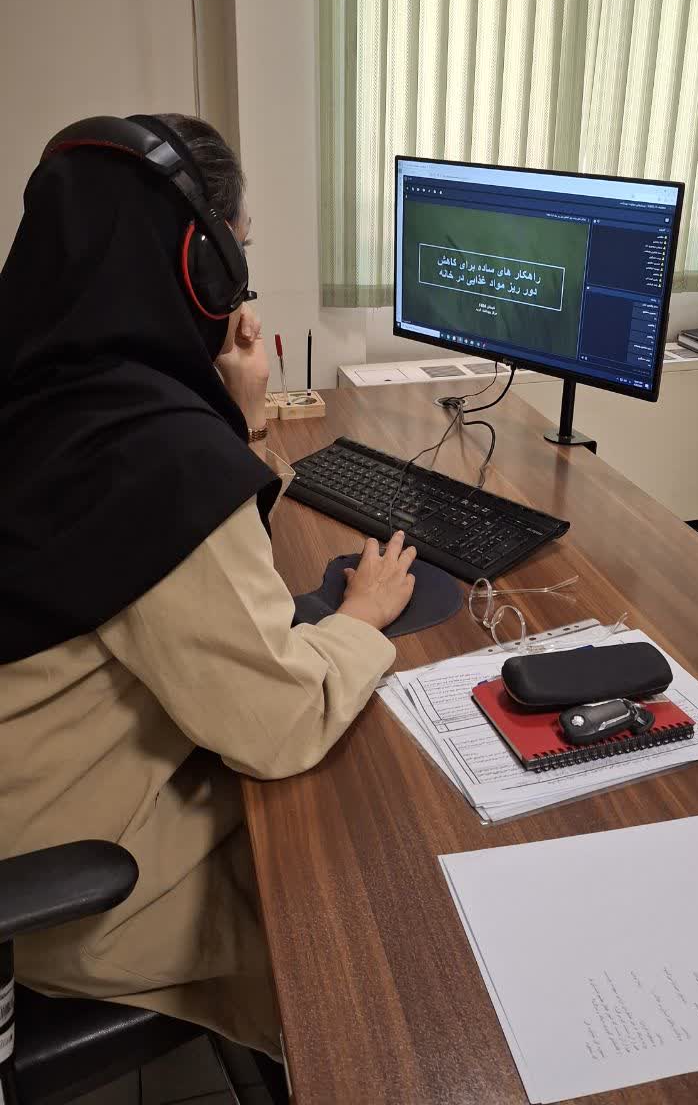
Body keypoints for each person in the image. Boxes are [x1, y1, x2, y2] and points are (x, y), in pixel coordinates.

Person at [0, 113, 416, 1065]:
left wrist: (237, 423)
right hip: (65, 882)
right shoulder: (151, 457)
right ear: (203, 265)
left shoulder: (45, 387)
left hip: (33, 792)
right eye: (241, 249)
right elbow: (277, 722)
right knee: (367, 938)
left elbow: (178, 581)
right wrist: (360, 617)